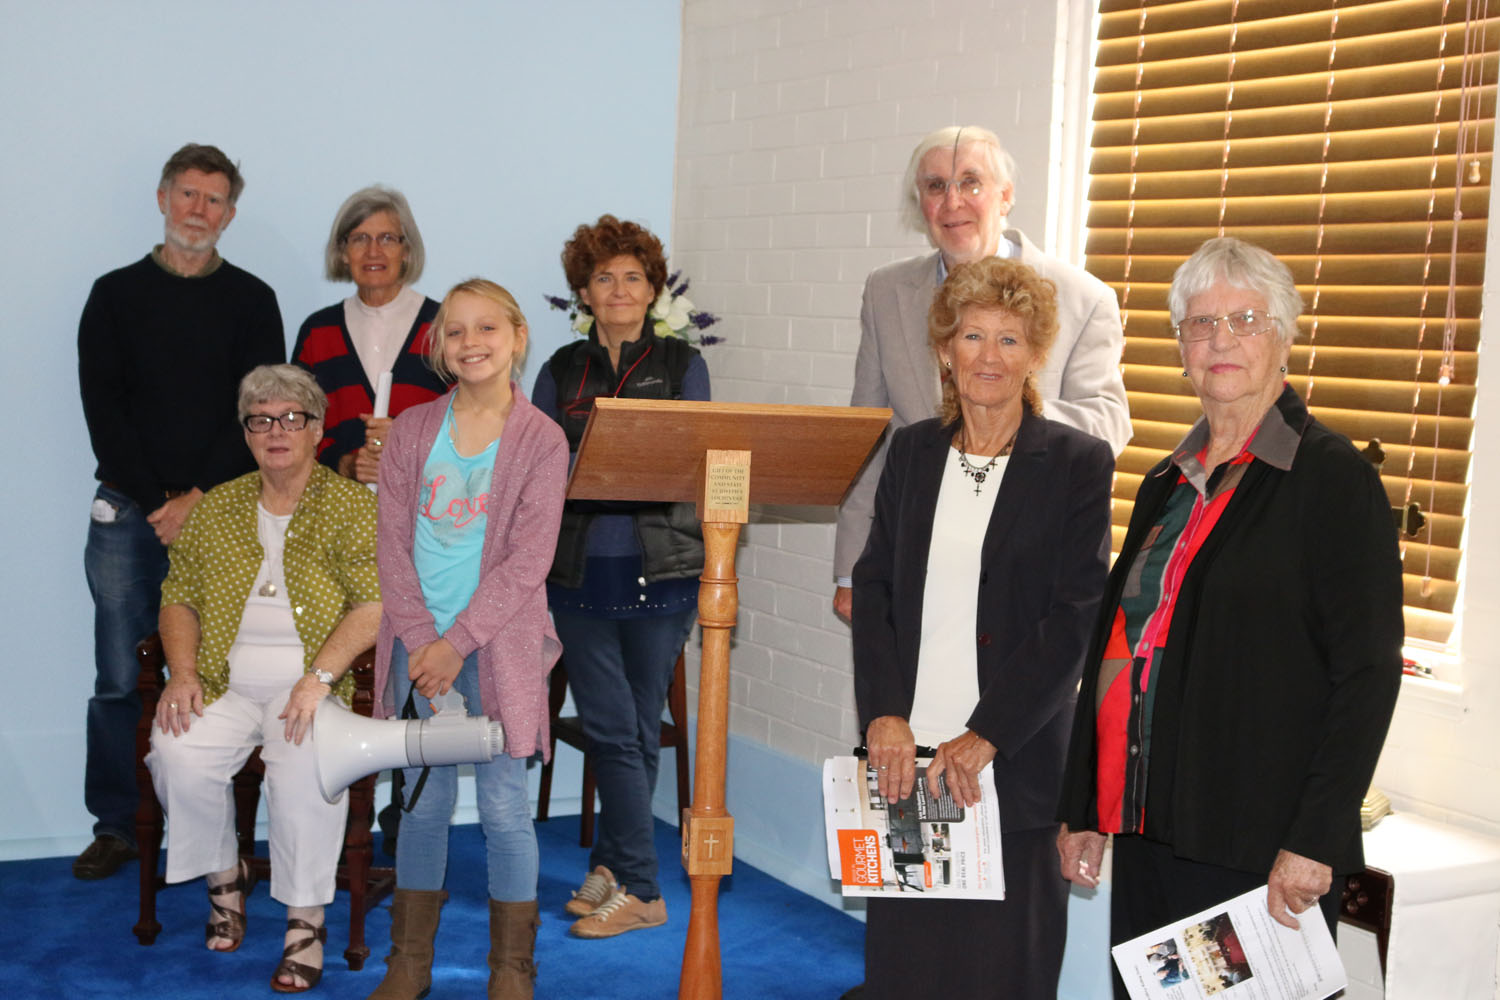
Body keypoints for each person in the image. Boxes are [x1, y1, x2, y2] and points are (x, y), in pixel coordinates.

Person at [1056, 237, 1404, 1000]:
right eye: (1201, 324)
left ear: (1283, 336)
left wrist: (1315, 838)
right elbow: (1119, 646)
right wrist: (1085, 804)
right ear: (1180, 348)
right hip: (1148, 829)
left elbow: (1368, 674)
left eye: (1245, 320)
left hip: (1260, 847)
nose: (1221, 340)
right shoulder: (1165, 481)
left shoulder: (1332, 479)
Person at [853, 257, 1114, 999]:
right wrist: (884, 713)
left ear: (1034, 356)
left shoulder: (1077, 462)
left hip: (1014, 766)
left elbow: (1076, 617)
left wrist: (987, 734)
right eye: (972, 336)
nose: (989, 356)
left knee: (1004, 975)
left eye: (1009, 339)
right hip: (907, 759)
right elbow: (874, 587)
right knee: (905, 974)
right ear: (945, 351)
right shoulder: (912, 451)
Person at [76, 142, 284, 881]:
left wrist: (198, 498)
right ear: (163, 198)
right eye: (188, 194)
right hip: (127, 512)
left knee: (225, 669)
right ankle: (116, 825)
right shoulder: (113, 295)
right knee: (119, 675)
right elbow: (104, 410)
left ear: (230, 214)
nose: (199, 210)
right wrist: (161, 502)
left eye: (214, 199)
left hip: (224, 512)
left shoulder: (252, 299)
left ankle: (218, 827)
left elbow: (261, 410)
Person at [833, 124, 1131, 624]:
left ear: (1005, 196)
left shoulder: (1083, 298)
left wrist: (1008, 416)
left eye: (970, 182)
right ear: (920, 203)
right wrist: (851, 569)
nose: (953, 202)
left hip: (1026, 565)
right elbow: (869, 434)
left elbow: (1108, 422)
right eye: (936, 185)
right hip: (913, 557)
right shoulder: (885, 292)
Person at [146, 364, 381, 993]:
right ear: (246, 433)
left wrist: (318, 678)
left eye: (291, 418)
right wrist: (182, 673)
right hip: (222, 680)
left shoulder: (353, 505)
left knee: (306, 762)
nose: (276, 431)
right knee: (175, 749)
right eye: (261, 420)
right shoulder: (216, 507)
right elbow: (178, 597)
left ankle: (305, 920)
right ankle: (226, 881)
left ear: (317, 429)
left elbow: (374, 604)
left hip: (311, 683)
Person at [370, 278, 567, 1000]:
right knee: (422, 805)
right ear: (438, 347)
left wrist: (459, 642)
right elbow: (391, 546)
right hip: (419, 647)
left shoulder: (542, 439)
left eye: (487, 328)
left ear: (517, 337)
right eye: (455, 331)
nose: (471, 342)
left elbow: (528, 560)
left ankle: (512, 971)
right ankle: (408, 963)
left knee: (505, 809)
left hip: (499, 646)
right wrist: (426, 639)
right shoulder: (412, 430)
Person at [532, 214, 709, 939]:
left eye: (633, 277)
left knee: (634, 729)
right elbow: (538, 468)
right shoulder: (559, 369)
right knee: (614, 730)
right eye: (604, 277)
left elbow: (695, 458)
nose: (619, 289)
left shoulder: (682, 365)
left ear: (652, 289)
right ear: (584, 291)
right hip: (576, 572)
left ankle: (634, 883)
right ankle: (627, 873)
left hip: (663, 569)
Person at [292, 186, 446, 484]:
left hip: (427, 502)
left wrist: (407, 442)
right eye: (360, 238)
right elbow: (296, 426)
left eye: (387, 238)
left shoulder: (443, 327)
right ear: (343, 253)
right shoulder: (317, 332)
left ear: (406, 250)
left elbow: (468, 423)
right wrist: (344, 465)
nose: (373, 251)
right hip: (338, 504)